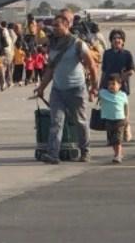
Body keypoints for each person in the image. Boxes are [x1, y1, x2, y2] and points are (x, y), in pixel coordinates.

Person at [34, 14, 98, 164]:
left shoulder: (78, 44)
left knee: (80, 122)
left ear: (66, 26)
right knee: (56, 122)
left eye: (57, 25)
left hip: (76, 89)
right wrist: (41, 87)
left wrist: (94, 86)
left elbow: (92, 65)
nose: (54, 28)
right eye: (53, 25)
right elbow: (50, 69)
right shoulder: (53, 45)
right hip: (58, 90)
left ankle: (85, 151)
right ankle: (53, 154)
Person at [98, 74, 129, 163]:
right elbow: (95, 92)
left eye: (113, 84)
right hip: (109, 120)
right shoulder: (103, 93)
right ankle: (118, 153)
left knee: (117, 139)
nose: (111, 86)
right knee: (112, 140)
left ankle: (118, 155)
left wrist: (127, 118)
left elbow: (126, 107)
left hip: (120, 120)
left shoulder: (123, 95)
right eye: (109, 84)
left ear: (119, 85)